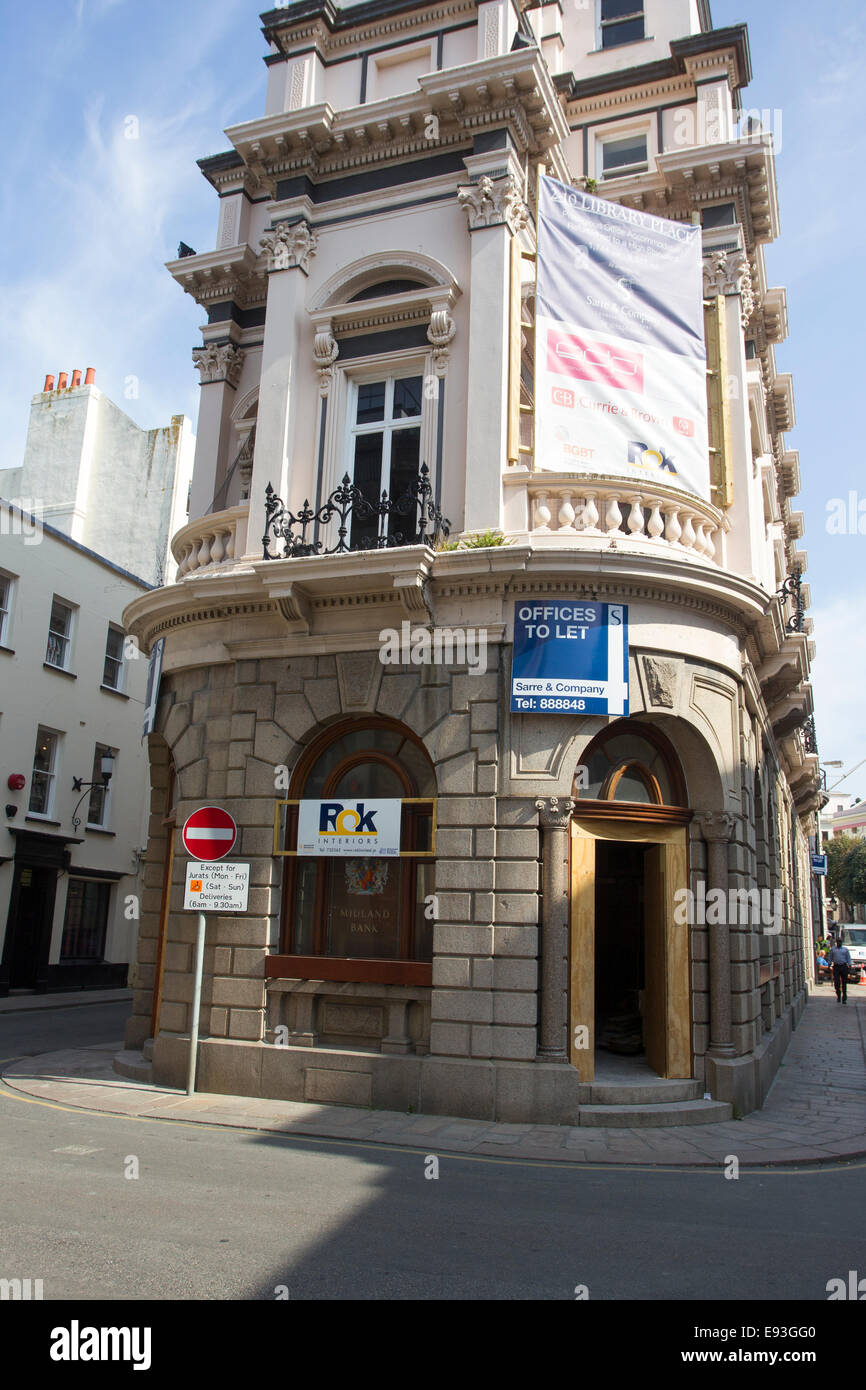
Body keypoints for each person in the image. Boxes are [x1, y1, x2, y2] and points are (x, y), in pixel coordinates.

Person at [829, 938, 852, 1003]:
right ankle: (838, 995)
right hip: (836, 967)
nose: (839, 943)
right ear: (836, 942)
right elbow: (830, 957)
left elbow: (848, 958)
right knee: (837, 982)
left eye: (840, 942)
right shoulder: (833, 949)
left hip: (843, 966)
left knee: (844, 982)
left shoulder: (845, 950)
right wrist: (829, 963)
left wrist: (850, 965)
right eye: (838, 942)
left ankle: (844, 997)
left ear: (842, 942)